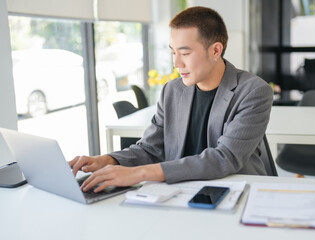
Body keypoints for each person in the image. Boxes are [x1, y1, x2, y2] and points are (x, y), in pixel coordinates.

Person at [70, 6, 273, 193]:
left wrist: (139, 173)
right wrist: (108, 160)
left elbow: (224, 158)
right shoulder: (172, 91)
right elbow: (150, 148)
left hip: (236, 190)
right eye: (173, 52)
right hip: (181, 191)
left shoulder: (254, 91)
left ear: (216, 50)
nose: (176, 62)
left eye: (185, 52)